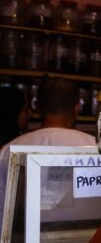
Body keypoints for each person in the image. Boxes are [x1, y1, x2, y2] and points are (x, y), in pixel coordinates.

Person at [0, 78, 95, 221]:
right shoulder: (95, 147)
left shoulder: (8, 151)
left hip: (24, 242)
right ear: (77, 108)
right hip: (90, 241)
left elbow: (3, 213)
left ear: (37, 107)